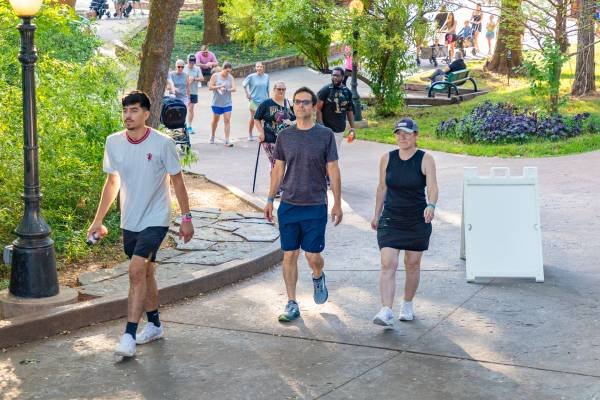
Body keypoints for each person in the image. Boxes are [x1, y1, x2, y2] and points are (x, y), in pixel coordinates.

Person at [87, 90, 194, 357]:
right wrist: (98, 220)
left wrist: (186, 218)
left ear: (146, 114)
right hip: (130, 219)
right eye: (125, 110)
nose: (128, 115)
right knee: (146, 273)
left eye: (134, 110)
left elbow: (177, 181)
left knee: (136, 270)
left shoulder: (162, 144)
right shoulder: (113, 142)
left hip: (156, 218)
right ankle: (155, 324)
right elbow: (112, 182)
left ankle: (128, 336)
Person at [264, 86, 343, 323]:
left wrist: (337, 203)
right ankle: (291, 302)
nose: (300, 105)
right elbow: (278, 169)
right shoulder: (285, 136)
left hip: (315, 204)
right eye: (297, 102)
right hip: (289, 204)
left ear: (314, 106)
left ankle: (318, 275)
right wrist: (269, 199)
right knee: (289, 254)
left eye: (305, 102)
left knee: (312, 255)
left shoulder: (325, 135)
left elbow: (333, 170)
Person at [370, 118, 438, 328]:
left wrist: (431, 205)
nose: (402, 137)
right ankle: (386, 310)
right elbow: (382, 188)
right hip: (391, 217)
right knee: (387, 263)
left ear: (416, 135)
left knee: (412, 264)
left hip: (417, 219)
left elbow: (432, 187)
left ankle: (407, 303)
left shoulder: (425, 159)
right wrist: (376, 214)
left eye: (407, 133)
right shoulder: (387, 158)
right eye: (399, 133)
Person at [254, 81, 295, 184]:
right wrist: (261, 132)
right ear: (274, 90)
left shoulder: (289, 103)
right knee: (276, 164)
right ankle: (276, 187)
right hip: (270, 138)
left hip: (286, 140)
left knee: (283, 164)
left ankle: (280, 186)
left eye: (283, 89)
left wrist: (291, 122)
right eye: (279, 89)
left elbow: (298, 118)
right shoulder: (266, 103)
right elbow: (256, 118)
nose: (281, 91)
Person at [316, 67, 356, 156]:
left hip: (340, 129)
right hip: (327, 129)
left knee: (335, 154)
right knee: (326, 155)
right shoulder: (325, 90)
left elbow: (349, 110)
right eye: (333, 75)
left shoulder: (347, 91)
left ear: (342, 77)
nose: (335, 77)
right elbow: (318, 109)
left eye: (337, 76)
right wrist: (321, 127)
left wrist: (352, 128)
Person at [209, 61, 236, 147]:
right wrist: (219, 87)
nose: (228, 73)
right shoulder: (215, 76)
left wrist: (227, 89)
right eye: (227, 71)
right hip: (216, 103)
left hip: (227, 103)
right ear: (223, 69)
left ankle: (227, 140)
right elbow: (210, 87)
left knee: (227, 120)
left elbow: (234, 88)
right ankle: (212, 136)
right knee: (215, 120)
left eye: (229, 71)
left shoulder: (230, 77)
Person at [243, 62, 270, 141]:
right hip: (254, 101)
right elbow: (244, 84)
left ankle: (263, 134)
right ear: (255, 68)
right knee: (254, 118)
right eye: (257, 66)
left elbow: (267, 89)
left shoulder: (267, 76)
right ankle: (250, 133)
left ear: (263, 67)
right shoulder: (251, 76)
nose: (259, 68)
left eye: (260, 66)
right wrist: (247, 94)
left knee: (263, 119)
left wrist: (269, 99)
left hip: (264, 101)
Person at [184, 54, 203, 135]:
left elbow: (202, 78)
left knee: (191, 108)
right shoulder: (183, 67)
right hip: (184, 92)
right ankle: (182, 125)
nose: (192, 63)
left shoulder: (197, 69)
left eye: (193, 61)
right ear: (187, 60)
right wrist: (187, 80)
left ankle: (189, 126)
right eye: (190, 61)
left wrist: (194, 78)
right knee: (183, 108)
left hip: (193, 92)